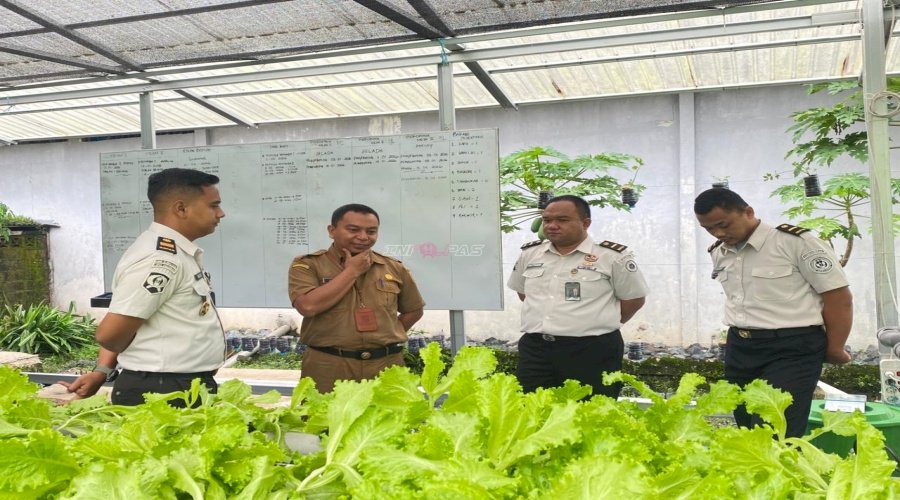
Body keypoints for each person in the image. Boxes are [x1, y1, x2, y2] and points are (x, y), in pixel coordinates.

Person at [694, 188, 852, 438]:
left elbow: (838, 297)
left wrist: (834, 348)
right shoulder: (719, 252)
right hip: (740, 347)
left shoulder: (795, 242)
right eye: (709, 229)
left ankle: (788, 475)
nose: (718, 233)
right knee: (746, 425)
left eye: (723, 225)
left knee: (776, 430)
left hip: (792, 348)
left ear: (748, 212)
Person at [62, 168, 226, 406]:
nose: (221, 213)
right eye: (214, 205)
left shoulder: (176, 253)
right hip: (163, 391)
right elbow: (111, 334)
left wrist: (102, 370)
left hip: (174, 385)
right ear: (181, 209)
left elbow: (132, 318)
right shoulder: (160, 260)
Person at [507, 195, 648, 398]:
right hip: (536, 350)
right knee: (531, 414)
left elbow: (634, 300)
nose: (552, 226)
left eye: (562, 220)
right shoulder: (530, 254)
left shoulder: (612, 256)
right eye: (547, 220)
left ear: (585, 223)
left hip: (591, 351)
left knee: (591, 416)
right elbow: (524, 293)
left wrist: (597, 322)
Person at [288, 203, 425, 393]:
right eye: (353, 230)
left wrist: (388, 332)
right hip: (329, 365)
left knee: (388, 420)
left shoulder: (393, 267)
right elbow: (308, 306)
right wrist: (352, 270)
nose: (363, 237)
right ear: (332, 230)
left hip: (386, 364)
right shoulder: (308, 265)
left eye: (371, 231)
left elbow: (414, 310)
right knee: (324, 420)